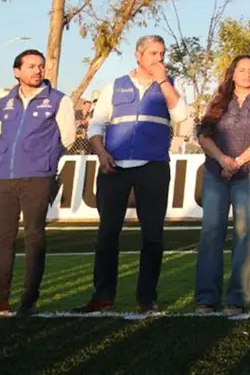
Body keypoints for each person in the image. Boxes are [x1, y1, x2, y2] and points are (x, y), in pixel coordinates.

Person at [75, 35, 189, 314]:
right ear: (138, 55)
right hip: (114, 167)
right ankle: (103, 295)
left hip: (153, 167)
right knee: (107, 234)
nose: (158, 58)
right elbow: (96, 125)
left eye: (161, 53)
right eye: (152, 53)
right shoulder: (114, 85)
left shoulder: (170, 85)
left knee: (152, 235)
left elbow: (181, 115)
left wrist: (163, 81)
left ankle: (146, 297)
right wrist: (101, 154)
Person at [0, 50, 76, 318]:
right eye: (31, 66)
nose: (38, 71)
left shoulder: (59, 101)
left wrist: (44, 162)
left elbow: (68, 138)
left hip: (38, 177)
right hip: (4, 178)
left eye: (41, 66)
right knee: (3, 239)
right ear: (17, 72)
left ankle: (28, 301)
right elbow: (3, 137)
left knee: (34, 238)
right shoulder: (5, 102)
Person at [193, 55, 250, 316]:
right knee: (211, 233)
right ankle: (207, 299)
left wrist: (238, 162)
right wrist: (222, 159)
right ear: (232, 74)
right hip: (215, 175)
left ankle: (237, 299)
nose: (247, 74)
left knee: (245, 234)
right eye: (242, 70)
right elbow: (203, 136)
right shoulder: (219, 101)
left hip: (249, 175)